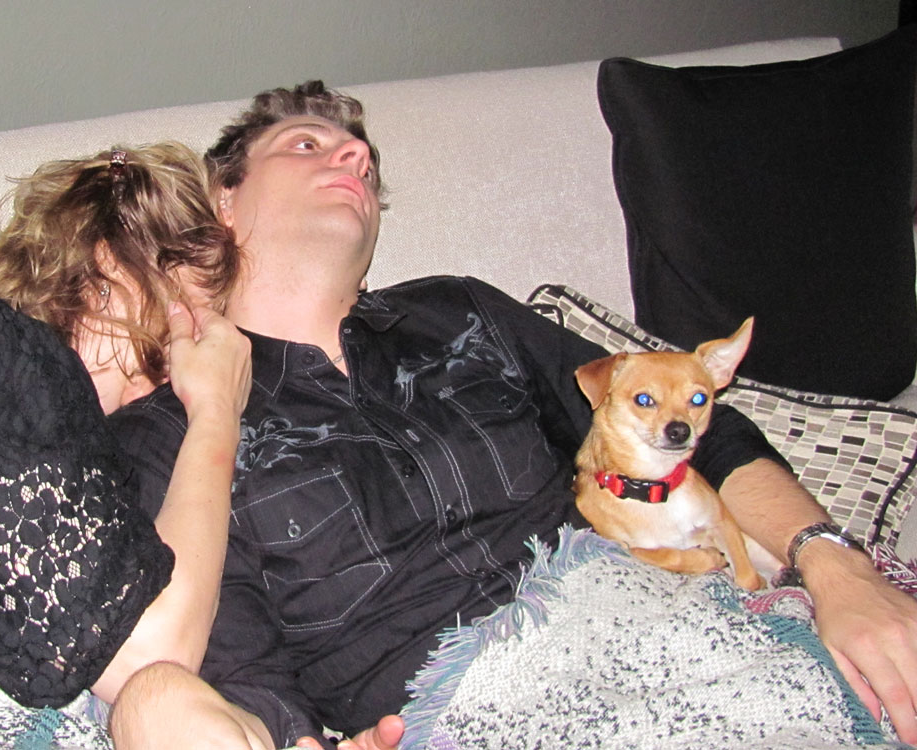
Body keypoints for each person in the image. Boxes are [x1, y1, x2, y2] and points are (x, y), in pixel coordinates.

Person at [109, 82, 917, 749]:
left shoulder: (462, 312)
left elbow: (691, 431)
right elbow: (233, 659)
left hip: (662, 621)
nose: (353, 156)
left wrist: (834, 567)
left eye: (362, 156)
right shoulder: (173, 428)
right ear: (223, 198)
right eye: (306, 145)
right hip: (456, 710)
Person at [0, 142, 253, 710]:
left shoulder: (100, 455)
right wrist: (217, 412)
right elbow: (148, 660)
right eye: (174, 333)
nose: (174, 374)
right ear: (108, 263)